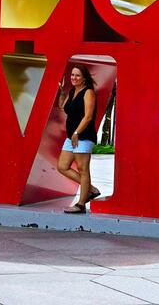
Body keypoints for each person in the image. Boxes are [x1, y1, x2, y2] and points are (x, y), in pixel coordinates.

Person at [56, 65, 101, 214]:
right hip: (71, 137)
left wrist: (77, 132)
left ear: (84, 78)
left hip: (83, 136)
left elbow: (88, 116)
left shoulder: (88, 92)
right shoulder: (72, 91)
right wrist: (62, 93)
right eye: (72, 75)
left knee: (83, 170)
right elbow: (63, 107)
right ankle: (91, 189)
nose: (74, 78)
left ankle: (81, 205)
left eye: (77, 75)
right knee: (62, 166)